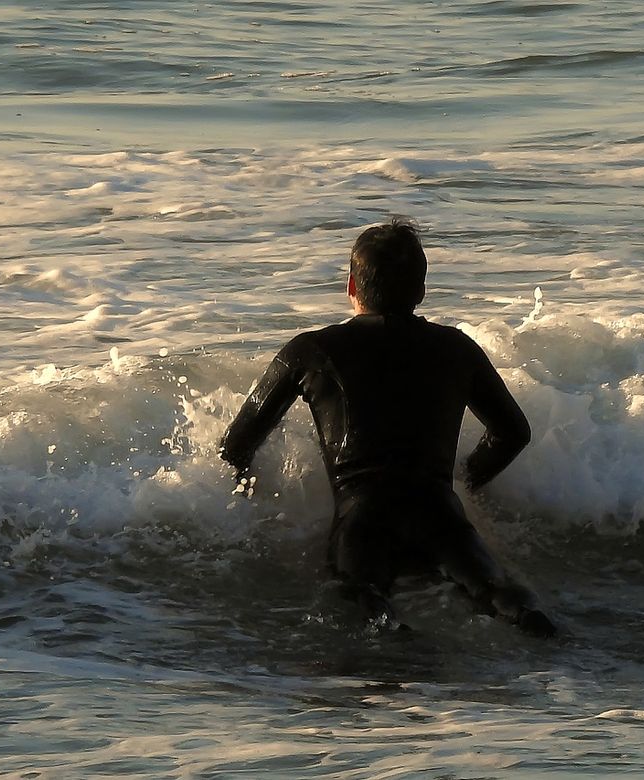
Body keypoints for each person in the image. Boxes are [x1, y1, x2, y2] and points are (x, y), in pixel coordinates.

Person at [219, 218, 555, 637]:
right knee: (499, 593)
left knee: (360, 598)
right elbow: (512, 433)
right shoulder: (456, 348)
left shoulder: (310, 350)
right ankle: (546, 641)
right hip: (438, 512)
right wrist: (464, 481)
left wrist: (255, 506)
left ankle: (402, 654)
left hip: (364, 519)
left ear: (351, 287)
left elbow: (235, 445)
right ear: (421, 291)